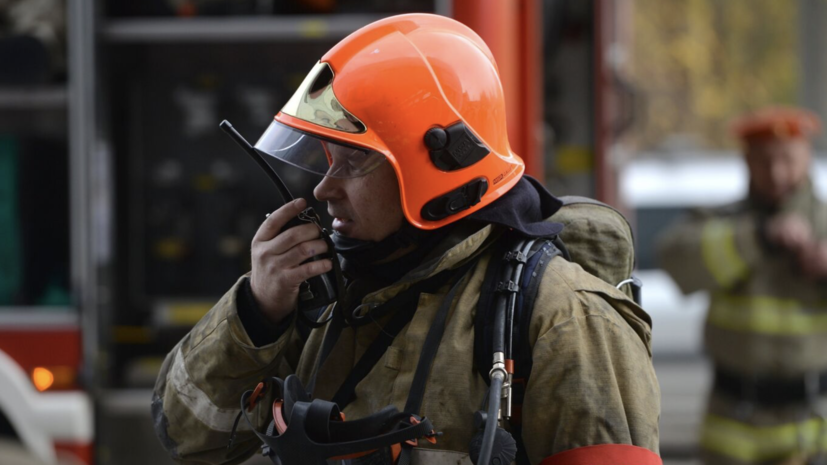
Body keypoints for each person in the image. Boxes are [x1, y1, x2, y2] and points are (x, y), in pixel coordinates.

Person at [152, 13, 661, 465]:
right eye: (329, 160)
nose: (325, 189)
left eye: (354, 161)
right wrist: (257, 315)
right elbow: (191, 441)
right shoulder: (324, 302)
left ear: (437, 167)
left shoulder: (566, 320)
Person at [657, 107, 827, 465]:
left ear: (807, 156)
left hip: (812, 424)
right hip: (731, 423)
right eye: (765, 160)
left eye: (787, 159)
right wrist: (758, 238)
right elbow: (676, 262)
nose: (777, 172)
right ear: (746, 162)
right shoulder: (722, 222)